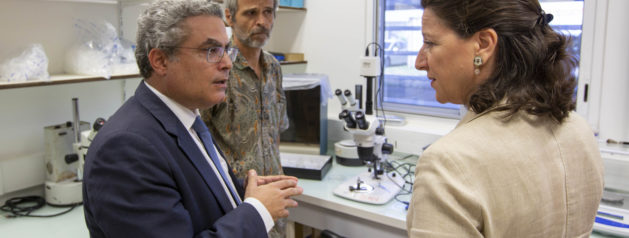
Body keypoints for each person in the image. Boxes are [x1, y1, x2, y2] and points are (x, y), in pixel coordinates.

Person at [82, 1, 302, 237]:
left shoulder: (187, 119)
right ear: (161, 61)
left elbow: (201, 193)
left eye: (226, 49)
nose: (227, 63)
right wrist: (258, 210)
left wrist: (242, 190)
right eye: (211, 51)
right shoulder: (125, 149)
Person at [406, 0, 604, 237]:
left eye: (430, 42)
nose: (419, 62)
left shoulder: (449, 163)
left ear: (483, 45)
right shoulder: (579, 131)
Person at [201, 0, 287, 180]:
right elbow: (199, 137)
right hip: (234, 196)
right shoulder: (217, 67)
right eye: (251, 13)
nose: (262, 22)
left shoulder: (273, 68)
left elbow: (275, 132)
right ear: (229, 17)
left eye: (268, 12)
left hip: (273, 187)